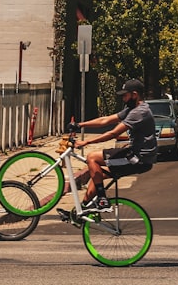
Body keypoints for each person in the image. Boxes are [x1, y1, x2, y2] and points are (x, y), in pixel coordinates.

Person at [67, 79, 156, 214]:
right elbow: (105, 120)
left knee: (92, 157)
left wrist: (87, 142)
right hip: (135, 155)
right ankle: (82, 210)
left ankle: (102, 201)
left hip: (138, 159)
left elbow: (113, 133)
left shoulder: (139, 112)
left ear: (135, 94)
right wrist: (80, 125)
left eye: (125, 95)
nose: (123, 98)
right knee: (97, 174)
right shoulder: (132, 109)